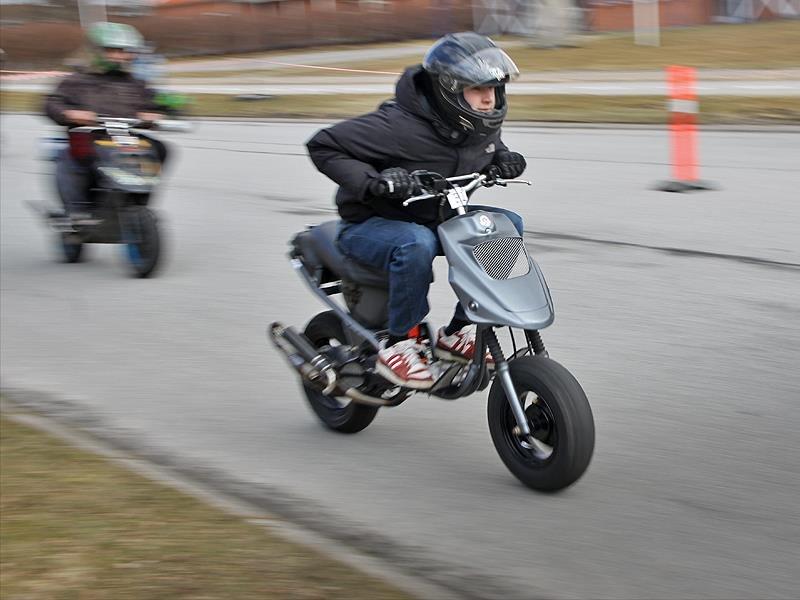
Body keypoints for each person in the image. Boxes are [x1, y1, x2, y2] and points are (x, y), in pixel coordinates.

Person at [307, 32, 528, 390]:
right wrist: (375, 180)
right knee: (415, 242)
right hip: (370, 224)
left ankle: (456, 332)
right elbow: (323, 145)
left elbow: (485, 145)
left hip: (435, 215)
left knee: (505, 225)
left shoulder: (473, 120)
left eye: (495, 88)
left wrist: (502, 158)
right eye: (478, 89)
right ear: (449, 90)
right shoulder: (396, 127)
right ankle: (398, 343)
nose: (490, 98)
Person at [43, 22, 165, 219]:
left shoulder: (137, 84)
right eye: (112, 50)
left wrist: (156, 113)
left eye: (124, 51)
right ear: (96, 51)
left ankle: (140, 203)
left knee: (159, 148)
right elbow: (51, 103)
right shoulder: (76, 80)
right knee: (74, 154)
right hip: (89, 136)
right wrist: (70, 113)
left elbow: (157, 103)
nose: (119, 56)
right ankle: (76, 210)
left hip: (127, 138)